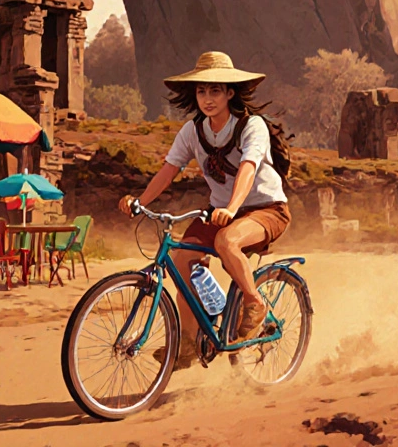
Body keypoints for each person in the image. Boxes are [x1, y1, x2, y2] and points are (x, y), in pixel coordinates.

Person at [117, 51, 291, 369]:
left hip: (266, 210)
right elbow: (168, 170)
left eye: (215, 90)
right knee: (181, 261)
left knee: (226, 241)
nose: (207, 98)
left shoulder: (252, 126)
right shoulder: (193, 131)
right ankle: (187, 341)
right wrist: (141, 201)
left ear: (230, 93)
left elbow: (248, 168)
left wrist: (232, 208)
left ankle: (255, 305)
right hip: (221, 211)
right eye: (201, 90)